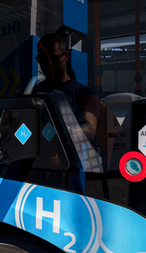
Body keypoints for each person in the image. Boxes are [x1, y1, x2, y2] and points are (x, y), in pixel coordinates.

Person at [32, 31, 103, 191]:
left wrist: (56, 144)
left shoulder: (85, 93)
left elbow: (89, 130)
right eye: (43, 59)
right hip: (36, 173)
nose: (48, 63)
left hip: (67, 175)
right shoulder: (34, 93)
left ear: (66, 56)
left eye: (53, 58)